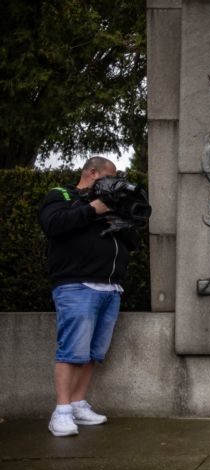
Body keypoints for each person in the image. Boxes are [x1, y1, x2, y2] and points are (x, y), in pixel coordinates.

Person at [38, 156, 139, 437]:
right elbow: (54, 225)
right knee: (72, 351)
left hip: (110, 288)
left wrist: (122, 220)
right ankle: (61, 412)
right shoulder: (62, 195)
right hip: (76, 285)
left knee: (93, 354)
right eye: (110, 177)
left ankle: (78, 404)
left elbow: (132, 242)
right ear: (92, 173)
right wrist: (93, 209)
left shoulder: (112, 205)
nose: (114, 183)